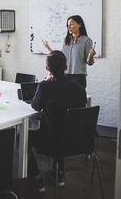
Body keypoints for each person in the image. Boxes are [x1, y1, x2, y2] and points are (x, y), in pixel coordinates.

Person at [28, 50, 87, 192]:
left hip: (51, 140)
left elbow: (35, 106)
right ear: (66, 67)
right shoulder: (80, 89)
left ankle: (37, 178)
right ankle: (60, 173)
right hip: (75, 140)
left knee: (25, 137)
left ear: (47, 68)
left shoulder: (45, 86)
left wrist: (45, 83)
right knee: (61, 129)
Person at [42, 15, 96, 87]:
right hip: (64, 75)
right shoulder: (67, 40)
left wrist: (91, 55)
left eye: (71, 24)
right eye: (68, 25)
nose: (69, 27)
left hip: (78, 77)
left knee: (76, 98)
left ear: (79, 25)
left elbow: (89, 62)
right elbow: (60, 56)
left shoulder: (86, 41)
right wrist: (48, 48)